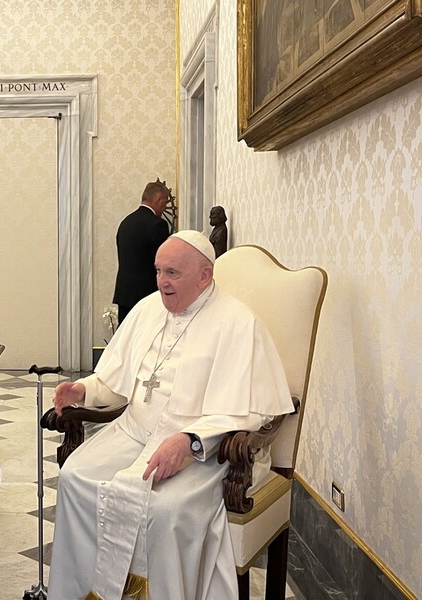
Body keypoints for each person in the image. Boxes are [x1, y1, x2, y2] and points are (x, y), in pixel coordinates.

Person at [48, 230, 295, 600]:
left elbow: (246, 413)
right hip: (133, 434)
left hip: (205, 454)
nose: (162, 282)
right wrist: (85, 390)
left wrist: (190, 440)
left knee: (165, 509)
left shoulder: (239, 323)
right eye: (158, 271)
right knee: (74, 478)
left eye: (173, 273)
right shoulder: (148, 309)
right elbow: (118, 379)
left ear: (204, 276)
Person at [112, 180, 171, 324]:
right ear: (158, 200)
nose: (164, 208)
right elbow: (161, 263)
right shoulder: (157, 224)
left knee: (126, 342)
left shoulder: (126, 222)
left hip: (124, 294)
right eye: (164, 203)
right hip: (147, 296)